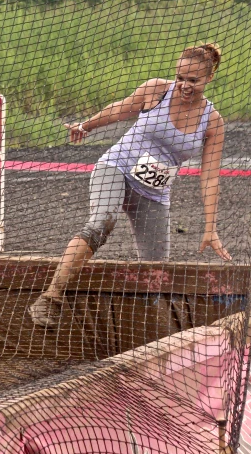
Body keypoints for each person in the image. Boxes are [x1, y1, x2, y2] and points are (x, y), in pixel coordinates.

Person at [28, 43, 231, 328]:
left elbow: (210, 177)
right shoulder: (156, 90)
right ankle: (51, 297)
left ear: (209, 78)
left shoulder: (213, 122)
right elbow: (118, 110)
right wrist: (86, 126)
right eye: (180, 77)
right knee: (101, 224)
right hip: (116, 168)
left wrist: (210, 228)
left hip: (153, 192)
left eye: (193, 80)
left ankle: (139, 331)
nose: (184, 85)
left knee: (156, 268)